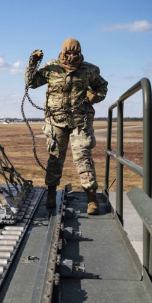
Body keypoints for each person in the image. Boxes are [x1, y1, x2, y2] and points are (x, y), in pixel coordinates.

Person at [26, 38, 108, 214]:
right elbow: (31, 84)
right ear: (63, 52)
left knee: (83, 157)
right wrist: (32, 64)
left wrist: (96, 97)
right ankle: (50, 193)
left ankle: (91, 198)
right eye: (68, 52)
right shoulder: (51, 68)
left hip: (80, 121)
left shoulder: (89, 70)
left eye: (75, 52)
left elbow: (102, 87)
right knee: (55, 158)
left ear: (79, 52)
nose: (71, 56)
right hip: (56, 121)